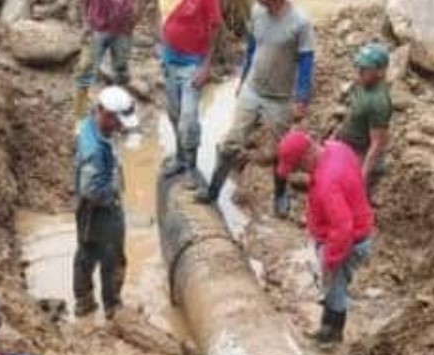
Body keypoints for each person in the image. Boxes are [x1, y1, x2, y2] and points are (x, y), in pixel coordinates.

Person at [200, 0, 314, 217]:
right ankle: (212, 190)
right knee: (231, 142)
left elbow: (306, 61)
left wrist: (302, 98)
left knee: (281, 151)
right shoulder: (257, 12)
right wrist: (242, 80)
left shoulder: (301, 23)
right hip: (252, 90)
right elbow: (252, 47)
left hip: (280, 97)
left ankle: (280, 196)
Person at [276, 130, 374, 346]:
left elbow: (343, 227)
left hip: (348, 240)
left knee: (335, 286)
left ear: (307, 156)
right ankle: (329, 321)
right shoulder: (336, 148)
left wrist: (330, 260)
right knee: (334, 284)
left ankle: (332, 333)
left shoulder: (327, 183)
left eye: (298, 167)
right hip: (359, 227)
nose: (298, 172)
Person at [74, 85, 138, 319]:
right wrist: (112, 193)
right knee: (112, 258)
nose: (121, 127)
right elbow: (90, 189)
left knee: (85, 251)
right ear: (106, 114)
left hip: (85, 209)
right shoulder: (94, 150)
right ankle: (112, 308)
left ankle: (84, 302)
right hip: (99, 208)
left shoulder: (91, 125)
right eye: (118, 121)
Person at [156, 0, 223, 187]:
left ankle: (190, 168)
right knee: (174, 114)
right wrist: (161, 46)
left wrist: (206, 65)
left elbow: (215, 26)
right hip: (169, 61)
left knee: (188, 118)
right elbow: (160, 13)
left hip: (192, 64)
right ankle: (179, 158)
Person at [336, 43, 392, 195]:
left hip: (359, 152)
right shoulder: (362, 84)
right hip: (345, 145)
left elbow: (378, 142)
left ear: (380, 71)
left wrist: (363, 173)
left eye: (365, 68)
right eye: (359, 66)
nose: (360, 71)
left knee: (350, 195)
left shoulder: (379, 101)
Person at [73, 0, 137, 119]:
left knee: (121, 73)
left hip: (122, 26)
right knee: (85, 71)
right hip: (96, 25)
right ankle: (79, 116)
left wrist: (133, 18)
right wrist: (85, 22)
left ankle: (116, 114)